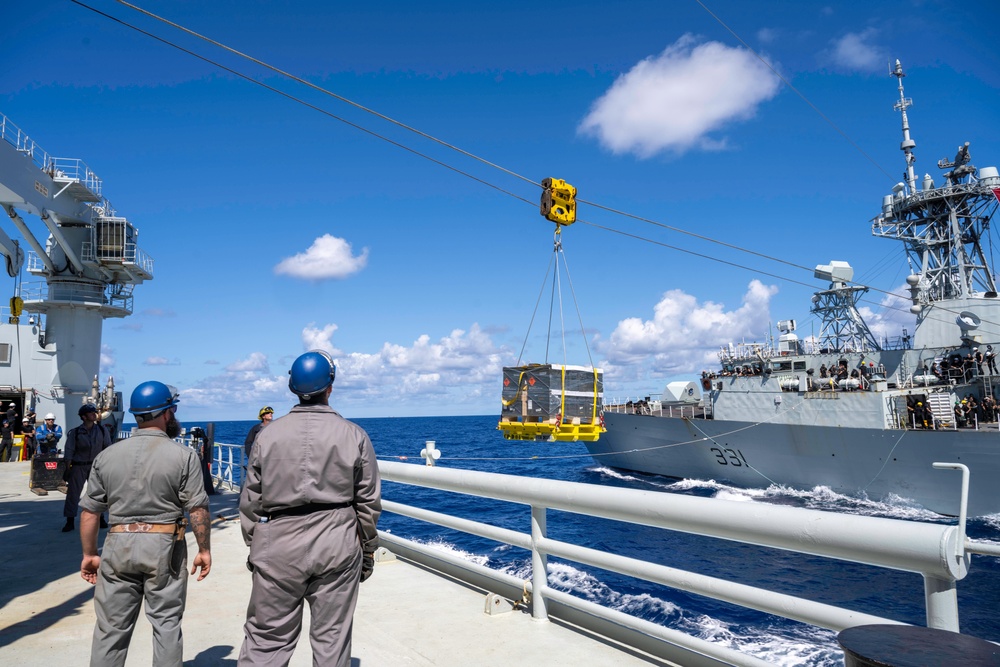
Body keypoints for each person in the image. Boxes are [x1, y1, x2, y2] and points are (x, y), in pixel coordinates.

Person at [239, 350, 381, 667]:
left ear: (292, 386)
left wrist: (255, 543)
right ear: (330, 386)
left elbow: (250, 499)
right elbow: (368, 502)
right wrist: (367, 548)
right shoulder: (354, 435)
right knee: (332, 643)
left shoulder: (267, 435)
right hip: (337, 541)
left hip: (277, 543)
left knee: (266, 642)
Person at [78, 381, 211, 667]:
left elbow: (89, 512)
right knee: (166, 625)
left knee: (110, 630)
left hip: (117, 545)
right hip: (164, 547)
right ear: (167, 413)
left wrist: (89, 555)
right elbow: (197, 508)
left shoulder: (107, 456)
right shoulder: (184, 456)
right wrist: (204, 549)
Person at [61, 404, 113, 532]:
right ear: (83, 417)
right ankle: (70, 520)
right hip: (78, 466)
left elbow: (108, 449)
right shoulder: (75, 432)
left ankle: (101, 518)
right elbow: (69, 452)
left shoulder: (102, 430)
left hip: (96, 467)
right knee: (73, 494)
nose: (94, 414)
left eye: (94, 412)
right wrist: (67, 470)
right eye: (91, 413)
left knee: (99, 494)